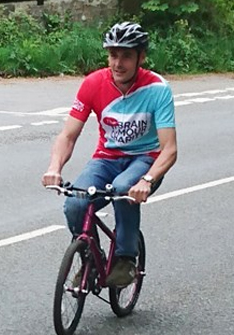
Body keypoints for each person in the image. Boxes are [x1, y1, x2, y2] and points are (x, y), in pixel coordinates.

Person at [42, 21, 177, 287]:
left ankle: (126, 259)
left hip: (145, 160)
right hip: (107, 158)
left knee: (123, 189)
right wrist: (54, 167)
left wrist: (147, 181)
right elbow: (68, 135)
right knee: (75, 203)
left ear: (141, 57)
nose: (118, 63)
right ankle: (89, 257)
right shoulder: (94, 84)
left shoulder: (157, 90)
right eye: (113, 55)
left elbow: (169, 149)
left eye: (126, 55)